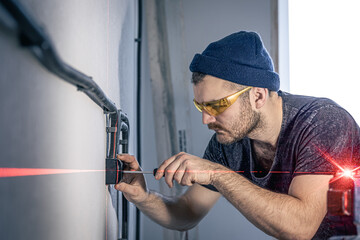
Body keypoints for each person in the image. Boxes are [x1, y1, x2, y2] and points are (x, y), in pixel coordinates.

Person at [115, 31, 360, 239]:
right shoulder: (229, 142)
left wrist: (218, 174)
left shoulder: (322, 121)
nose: (206, 119)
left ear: (258, 96)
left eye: (217, 106)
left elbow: (301, 227)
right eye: (201, 107)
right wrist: (144, 197)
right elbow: (188, 211)